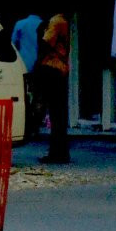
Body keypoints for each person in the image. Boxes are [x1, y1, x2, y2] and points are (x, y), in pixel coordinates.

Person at [35, 11, 71, 164]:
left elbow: (46, 42)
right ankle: (60, 151)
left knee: (56, 114)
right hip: (59, 69)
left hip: (53, 68)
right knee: (59, 114)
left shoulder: (55, 21)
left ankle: (57, 153)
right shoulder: (63, 21)